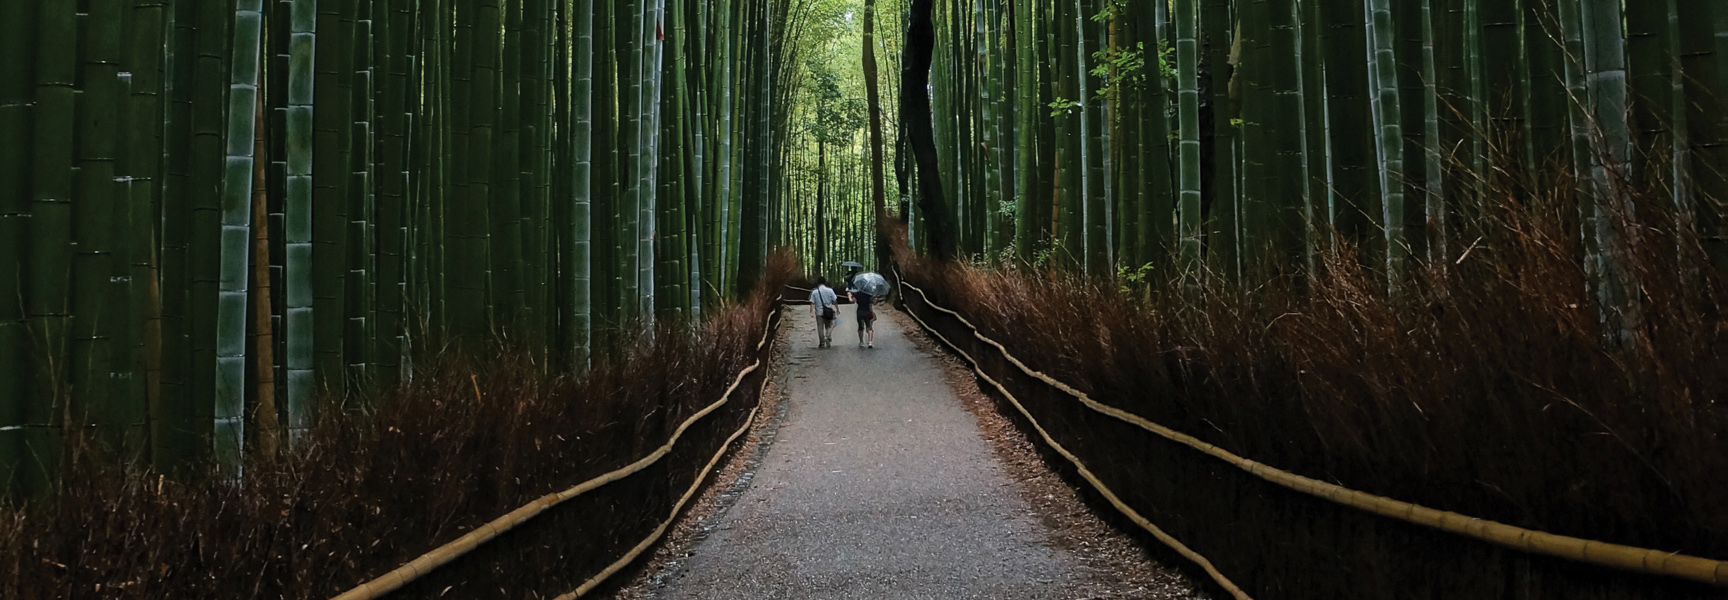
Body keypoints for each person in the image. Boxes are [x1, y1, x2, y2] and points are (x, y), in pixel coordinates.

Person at [808, 276, 839, 348]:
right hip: (828, 311)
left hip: (819, 312)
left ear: (818, 283)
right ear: (825, 282)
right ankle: (827, 336)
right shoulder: (830, 290)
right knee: (829, 325)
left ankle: (822, 342)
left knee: (820, 327)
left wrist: (811, 312)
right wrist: (837, 309)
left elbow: (812, 302)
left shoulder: (815, 292)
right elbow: (834, 300)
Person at [847, 277, 876, 348]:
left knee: (860, 327)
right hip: (868, 311)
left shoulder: (857, 293)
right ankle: (870, 342)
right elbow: (873, 302)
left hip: (859, 311)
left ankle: (861, 342)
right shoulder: (869, 293)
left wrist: (849, 295)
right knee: (869, 327)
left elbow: (852, 301)